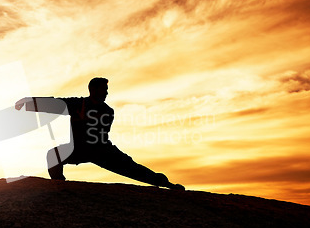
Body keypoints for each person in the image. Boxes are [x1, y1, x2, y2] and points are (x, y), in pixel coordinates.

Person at [15, 77, 185, 190]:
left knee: (133, 169)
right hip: (79, 149)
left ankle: (166, 184)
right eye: (104, 89)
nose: (106, 92)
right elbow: (55, 104)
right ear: (93, 90)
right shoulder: (77, 104)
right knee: (53, 155)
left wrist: (81, 120)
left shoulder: (108, 111)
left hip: (102, 150)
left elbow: (97, 131)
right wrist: (29, 103)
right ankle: (60, 186)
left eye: (106, 89)